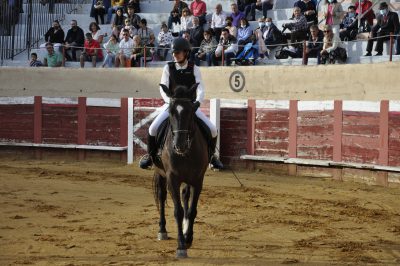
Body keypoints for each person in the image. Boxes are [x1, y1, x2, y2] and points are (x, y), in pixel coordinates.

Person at [139, 38, 224, 170]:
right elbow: (163, 88)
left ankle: (212, 156)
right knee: (152, 129)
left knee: (212, 129)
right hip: (172, 106)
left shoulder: (194, 68)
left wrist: (197, 102)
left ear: (186, 53)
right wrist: (170, 102)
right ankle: (150, 157)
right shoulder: (168, 67)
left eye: (177, 52)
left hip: (190, 106)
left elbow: (200, 88)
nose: (174, 55)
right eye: (173, 53)